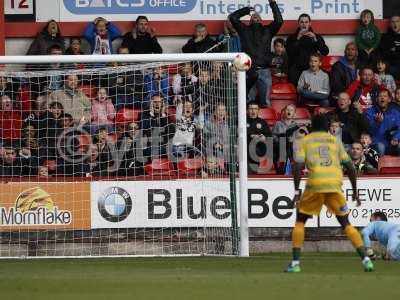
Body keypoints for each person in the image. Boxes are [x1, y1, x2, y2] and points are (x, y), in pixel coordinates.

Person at [287, 114, 374, 273]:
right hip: (334, 185)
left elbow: (298, 167)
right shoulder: (335, 141)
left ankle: (295, 264)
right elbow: (350, 167)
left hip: (315, 185)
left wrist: (296, 190)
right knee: (346, 223)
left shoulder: (305, 141)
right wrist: (355, 191)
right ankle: (366, 260)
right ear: (328, 127)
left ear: (312, 126)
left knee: (300, 221)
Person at [229, 0, 283, 107]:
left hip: (265, 71)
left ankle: (264, 124)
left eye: (258, 16)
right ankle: (248, 124)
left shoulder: (268, 30)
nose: (256, 16)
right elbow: (233, 18)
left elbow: (279, 21)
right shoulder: (244, 30)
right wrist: (246, 10)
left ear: (261, 20)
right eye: (253, 16)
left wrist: (273, 3)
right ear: (249, 20)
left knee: (265, 102)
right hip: (249, 70)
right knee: (248, 101)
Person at [286, 14, 329, 85]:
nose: (304, 24)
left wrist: (315, 40)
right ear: (298, 23)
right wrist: (297, 39)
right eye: (302, 22)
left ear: (310, 23)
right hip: (297, 69)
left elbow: (325, 52)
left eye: (306, 22)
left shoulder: (316, 37)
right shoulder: (292, 37)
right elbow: (289, 53)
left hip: (311, 68)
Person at [364, 89, 400, 156]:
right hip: (376, 143)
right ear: (377, 99)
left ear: (389, 99)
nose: (382, 98)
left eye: (385, 96)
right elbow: (369, 131)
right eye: (380, 96)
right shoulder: (369, 112)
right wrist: (377, 123)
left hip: (392, 143)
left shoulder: (395, 112)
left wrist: (396, 137)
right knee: (381, 147)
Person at [247, 101, 272, 174]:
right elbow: (238, 133)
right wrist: (251, 136)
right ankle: (251, 173)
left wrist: (264, 137)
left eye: (255, 109)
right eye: (251, 109)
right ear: (247, 110)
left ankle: (252, 173)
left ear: (258, 110)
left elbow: (269, 136)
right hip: (246, 146)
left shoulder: (262, 122)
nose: (253, 111)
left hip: (259, 147)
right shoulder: (242, 121)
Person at [379, 14, 400, 80]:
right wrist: (397, 49)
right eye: (393, 22)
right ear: (390, 24)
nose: (395, 24)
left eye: (397, 21)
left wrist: (394, 49)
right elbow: (384, 53)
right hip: (392, 64)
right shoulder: (385, 37)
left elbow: (390, 51)